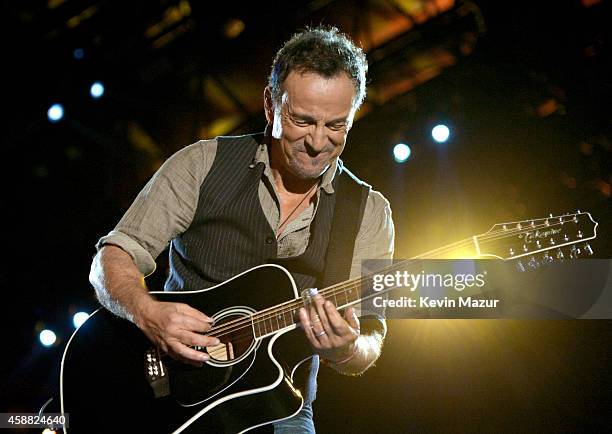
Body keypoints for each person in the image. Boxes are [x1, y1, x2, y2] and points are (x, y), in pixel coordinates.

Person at [89, 25, 394, 433]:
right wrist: (147, 313)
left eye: (336, 125)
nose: (318, 142)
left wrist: (347, 347)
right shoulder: (202, 164)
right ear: (270, 105)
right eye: (303, 120)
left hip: (280, 405)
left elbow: (369, 340)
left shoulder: (369, 212)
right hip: (170, 387)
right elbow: (113, 257)